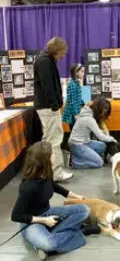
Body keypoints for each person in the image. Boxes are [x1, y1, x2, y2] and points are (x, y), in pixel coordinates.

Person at [11, 141, 98, 261]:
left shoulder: (46, 174)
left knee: (84, 209)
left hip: (48, 212)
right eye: (52, 154)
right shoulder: (29, 186)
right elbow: (16, 216)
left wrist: (76, 196)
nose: (55, 155)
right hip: (31, 222)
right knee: (48, 243)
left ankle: (51, 238)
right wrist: (44, 221)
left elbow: (55, 187)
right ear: (45, 159)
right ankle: (80, 232)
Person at [34, 37, 72, 181]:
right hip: (48, 107)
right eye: (62, 52)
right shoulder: (44, 62)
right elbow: (48, 86)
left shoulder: (45, 60)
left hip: (46, 106)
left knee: (48, 139)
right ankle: (55, 173)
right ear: (57, 50)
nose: (63, 56)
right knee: (54, 140)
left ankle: (45, 170)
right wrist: (55, 105)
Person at [69, 96, 117, 168]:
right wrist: (112, 139)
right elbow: (101, 137)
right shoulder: (89, 119)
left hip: (85, 142)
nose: (103, 114)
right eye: (103, 111)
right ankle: (74, 162)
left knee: (102, 146)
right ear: (98, 109)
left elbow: (97, 129)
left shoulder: (87, 112)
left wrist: (106, 135)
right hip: (77, 144)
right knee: (99, 163)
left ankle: (85, 156)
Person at [62, 63, 85, 129]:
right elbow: (72, 101)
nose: (83, 73)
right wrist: (75, 114)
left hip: (77, 111)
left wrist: (84, 104)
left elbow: (78, 97)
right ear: (76, 72)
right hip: (73, 114)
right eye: (82, 71)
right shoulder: (72, 84)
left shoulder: (77, 83)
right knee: (74, 133)